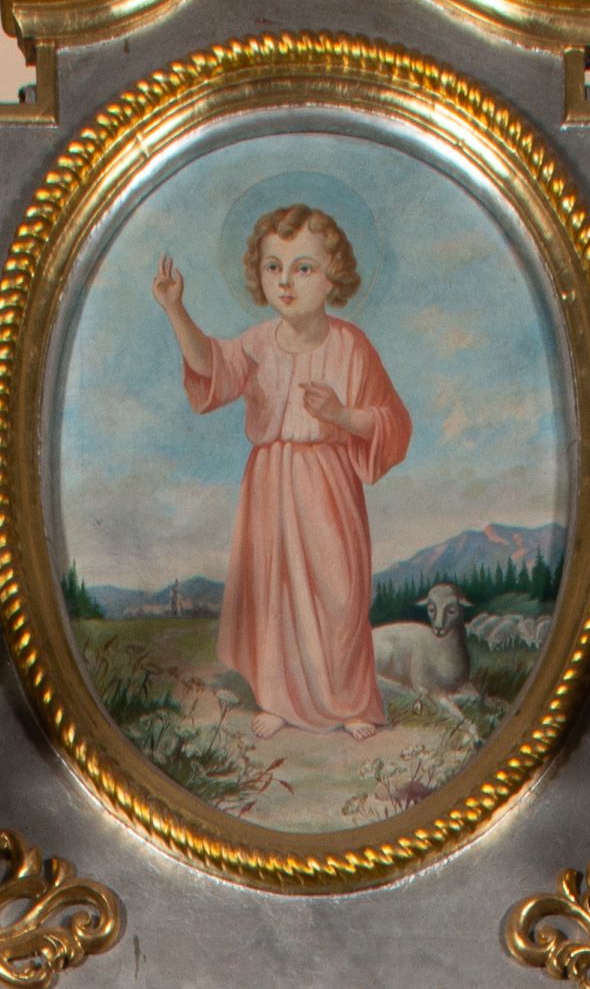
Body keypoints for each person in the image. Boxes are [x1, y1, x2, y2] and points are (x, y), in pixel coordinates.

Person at [152, 203, 412, 738]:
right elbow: (210, 367)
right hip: (270, 483)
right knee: (274, 591)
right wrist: (175, 309)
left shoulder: (351, 345)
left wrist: (341, 415)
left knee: (341, 593)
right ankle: (277, 698)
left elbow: (394, 422)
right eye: (274, 267)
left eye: (303, 267)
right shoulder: (256, 343)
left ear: (334, 275)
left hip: (329, 483)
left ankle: (351, 702)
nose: (286, 282)